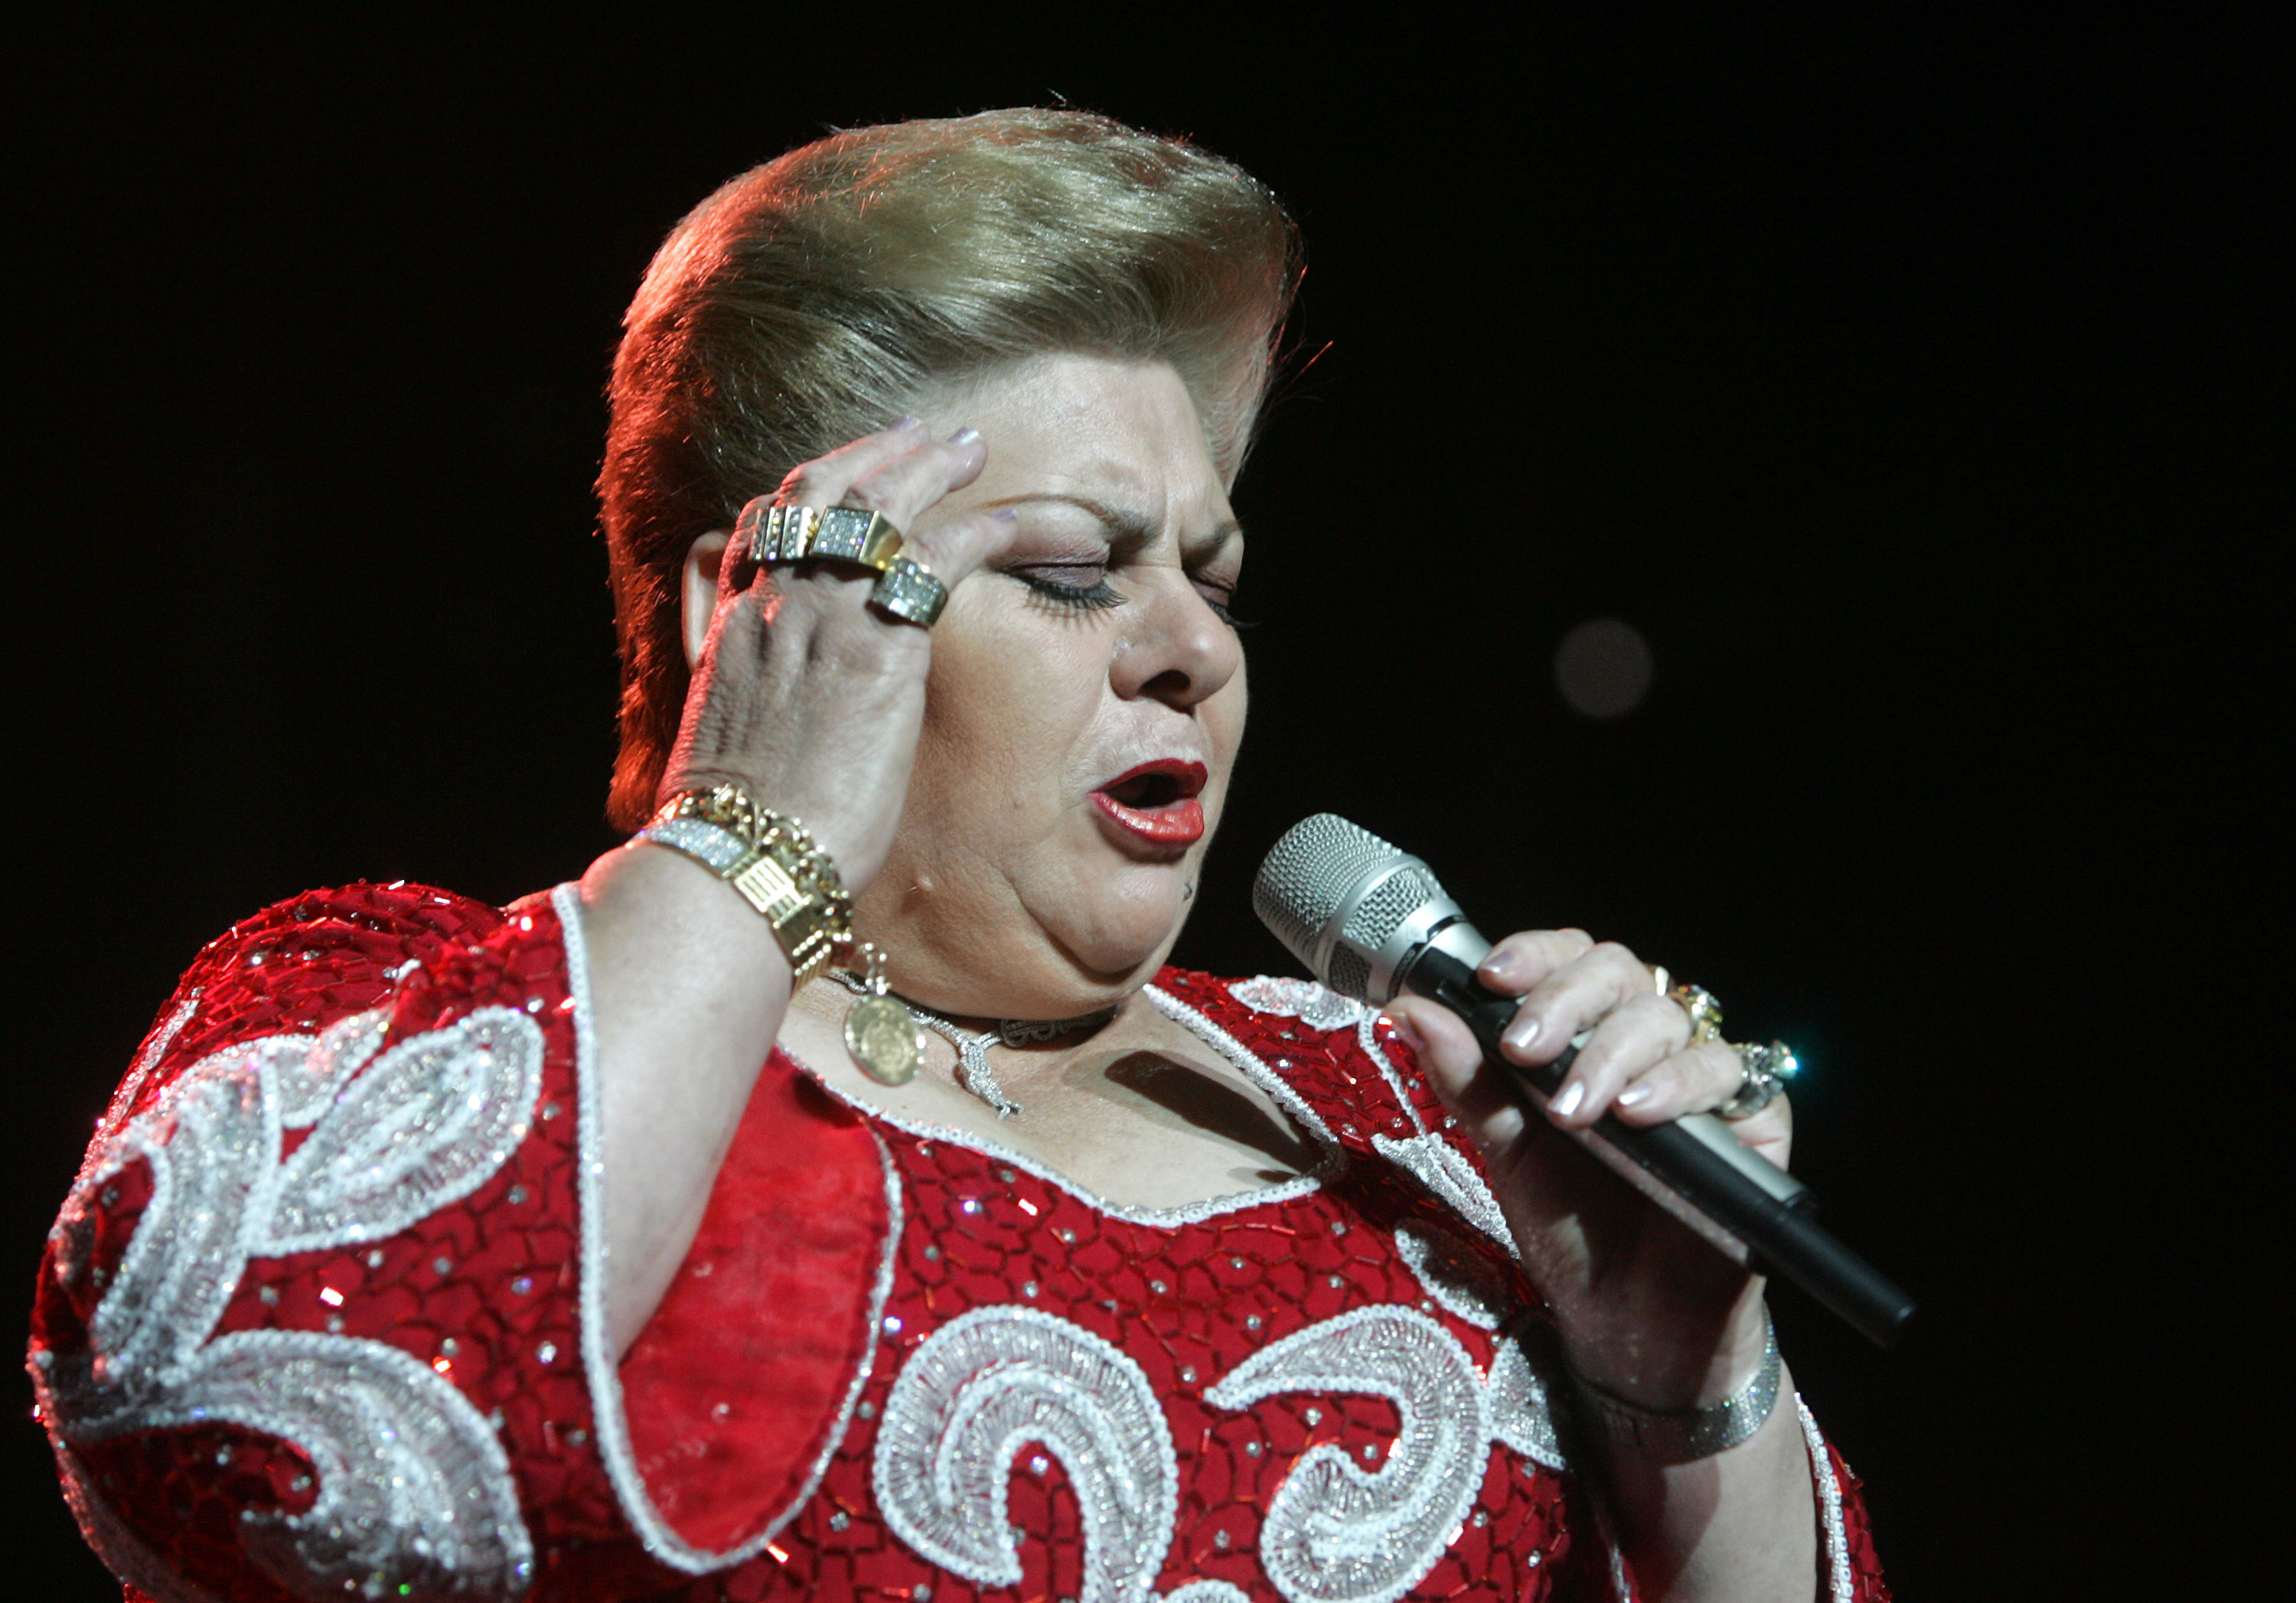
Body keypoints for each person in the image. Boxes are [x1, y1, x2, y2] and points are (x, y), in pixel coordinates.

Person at [30, 110, 1887, 1601]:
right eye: (1072, 571)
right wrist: (748, 835)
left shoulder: (1417, 1119)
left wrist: (1678, 1384)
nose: (1191, 646)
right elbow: (271, 1425)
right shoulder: (412, 1017)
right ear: (753, 608)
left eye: (1214, 579)